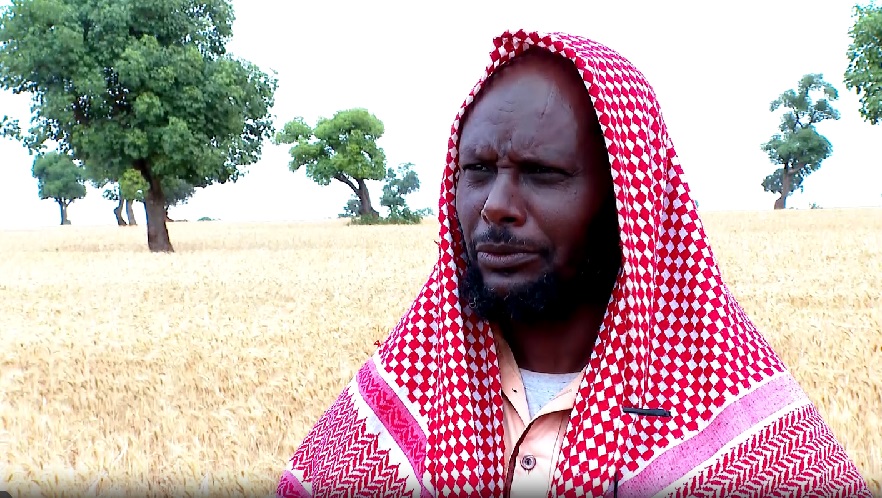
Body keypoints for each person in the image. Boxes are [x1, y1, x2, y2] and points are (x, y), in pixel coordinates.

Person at [277, 30, 872, 498]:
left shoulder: (749, 440)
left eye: (542, 173)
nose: (496, 206)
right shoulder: (401, 396)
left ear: (626, 202)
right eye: (477, 170)